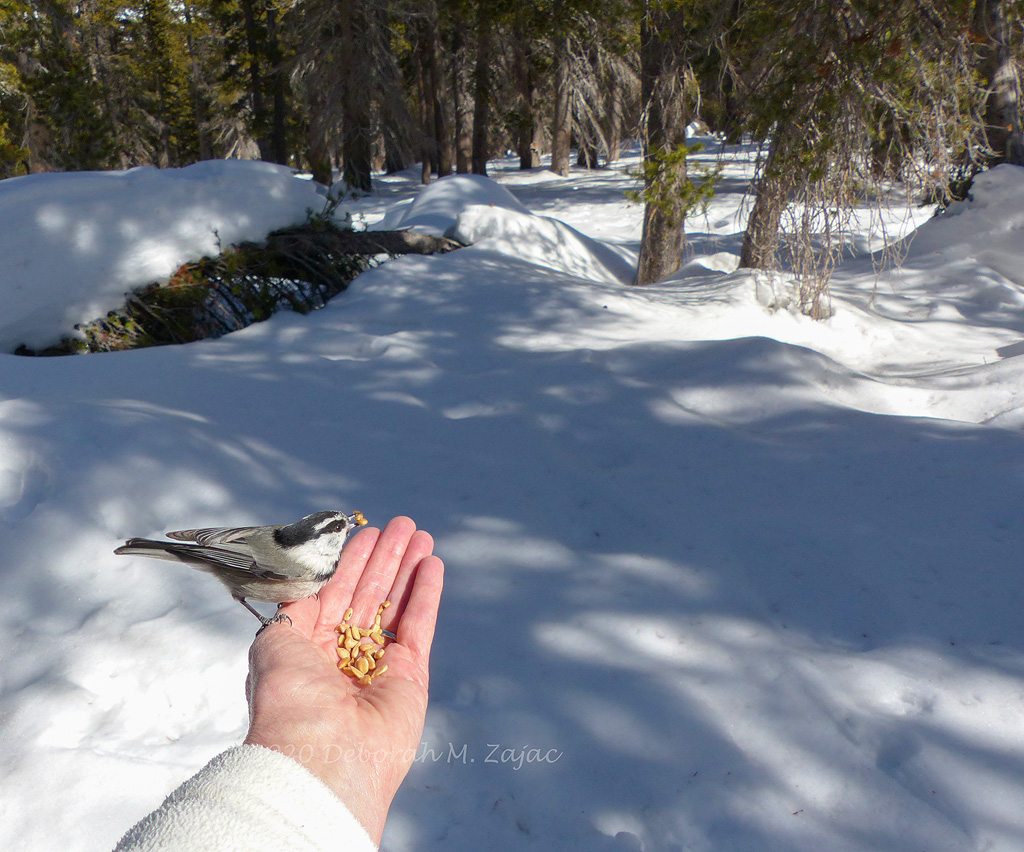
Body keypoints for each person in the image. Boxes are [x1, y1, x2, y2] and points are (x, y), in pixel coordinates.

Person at [114, 516, 444, 852]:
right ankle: (150, 548)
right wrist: (267, 621)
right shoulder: (294, 566)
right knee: (226, 577)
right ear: (317, 542)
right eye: (338, 529)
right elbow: (239, 560)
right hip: (235, 564)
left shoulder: (299, 552)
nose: (346, 529)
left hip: (237, 544)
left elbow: (248, 536)